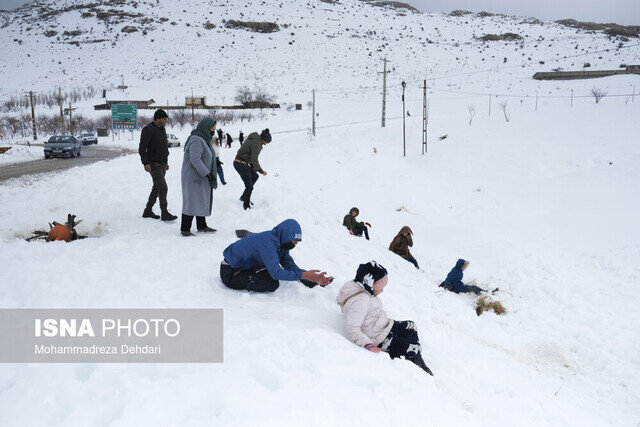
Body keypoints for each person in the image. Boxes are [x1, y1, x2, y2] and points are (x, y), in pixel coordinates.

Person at [337, 261, 433, 376]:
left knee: (411, 326)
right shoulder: (361, 300)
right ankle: (412, 359)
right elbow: (353, 329)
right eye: (380, 287)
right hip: (379, 339)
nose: (382, 290)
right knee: (415, 348)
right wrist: (368, 344)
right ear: (370, 283)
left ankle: (409, 353)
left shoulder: (356, 287)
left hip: (383, 326)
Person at [221, 219, 333, 293]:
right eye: (294, 240)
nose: (296, 244)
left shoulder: (280, 242)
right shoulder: (268, 243)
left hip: (245, 268)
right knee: (271, 283)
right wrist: (305, 275)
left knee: (270, 274)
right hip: (231, 273)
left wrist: (309, 278)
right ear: (286, 236)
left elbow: (287, 263)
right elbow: (276, 273)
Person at [180, 118, 218, 236]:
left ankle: (202, 226)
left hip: (201, 176)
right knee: (192, 201)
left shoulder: (203, 139)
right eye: (212, 129)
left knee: (201, 199)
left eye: (214, 129)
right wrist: (206, 173)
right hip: (193, 177)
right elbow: (195, 159)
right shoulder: (196, 139)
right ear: (205, 128)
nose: (213, 131)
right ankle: (185, 229)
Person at [139, 109, 177, 221]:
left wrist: (166, 162)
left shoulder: (162, 130)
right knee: (163, 186)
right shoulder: (148, 129)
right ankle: (164, 212)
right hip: (153, 163)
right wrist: (145, 163)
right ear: (158, 119)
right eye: (164, 119)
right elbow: (142, 148)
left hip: (162, 163)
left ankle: (147, 211)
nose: (166, 121)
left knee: (156, 188)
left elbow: (163, 147)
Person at [234, 128, 271, 210]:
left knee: (255, 176)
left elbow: (250, 156)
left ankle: (244, 197)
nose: (266, 144)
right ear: (264, 139)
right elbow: (254, 159)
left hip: (242, 163)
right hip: (240, 163)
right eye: (266, 142)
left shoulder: (255, 140)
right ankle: (246, 205)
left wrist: (254, 167)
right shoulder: (257, 143)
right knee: (249, 186)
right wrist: (261, 171)